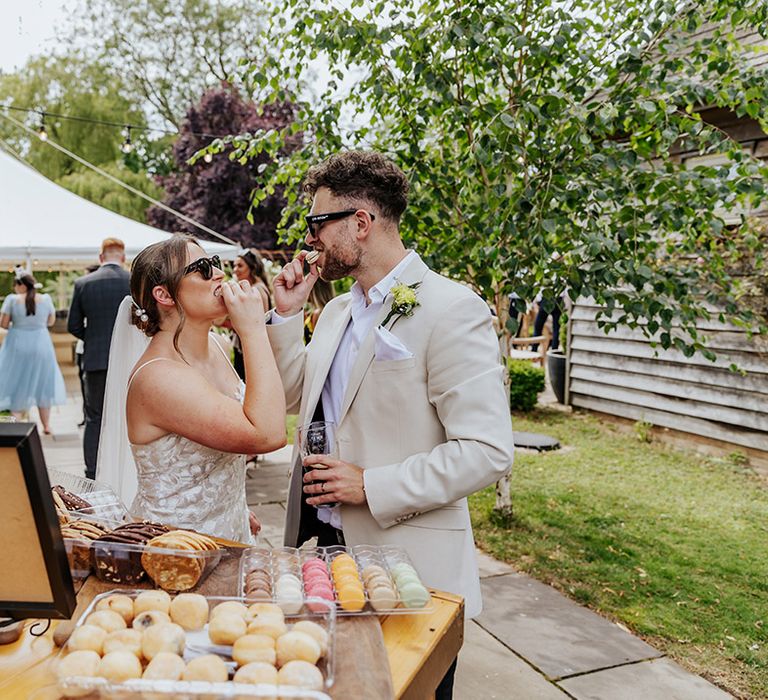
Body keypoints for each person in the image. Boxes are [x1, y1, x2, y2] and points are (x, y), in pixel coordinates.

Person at [267, 151, 514, 698]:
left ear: (360, 223)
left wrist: (369, 485)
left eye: (317, 223)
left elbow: (487, 450)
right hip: (327, 553)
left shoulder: (452, 308)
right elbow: (292, 398)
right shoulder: (332, 312)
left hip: (409, 562)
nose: (309, 238)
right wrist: (285, 316)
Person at [97, 234, 286, 542]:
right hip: (178, 548)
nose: (220, 274)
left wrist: (230, 506)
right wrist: (252, 329)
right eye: (203, 268)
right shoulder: (159, 379)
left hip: (229, 532)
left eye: (215, 263)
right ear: (165, 295)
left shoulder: (217, 344)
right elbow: (269, 433)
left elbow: (264, 407)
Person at [68, 238, 131, 479]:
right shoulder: (133, 281)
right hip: (128, 359)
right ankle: (125, 469)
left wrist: (92, 337)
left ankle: (92, 472)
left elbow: (74, 325)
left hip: (96, 360)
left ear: (101, 257)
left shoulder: (83, 283)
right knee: (127, 417)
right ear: (123, 257)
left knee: (94, 418)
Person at [0, 273, 66, 433]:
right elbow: (50, 321)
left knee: (16, 384)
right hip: (42, 345)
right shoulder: (46, 299)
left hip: (17, 347)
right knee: (44, 384)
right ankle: (47, 426)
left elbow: (4, 324)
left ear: (21, 285)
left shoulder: (12, 300)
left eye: (16, 285)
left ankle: (13, 425)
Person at [229, 249, 272, 379]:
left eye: (240, 265)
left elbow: (259, 322)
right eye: (234, 265)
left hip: (249, 350)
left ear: (252, 268)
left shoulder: (256, 290)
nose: (235, 269)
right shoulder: (257, 287)